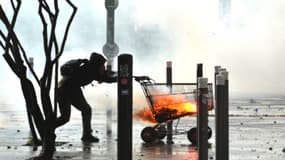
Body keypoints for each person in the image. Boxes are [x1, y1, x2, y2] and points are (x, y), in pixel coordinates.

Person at [56, 52, 116, 142]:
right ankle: (47, 128)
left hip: (71, 89)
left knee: (85, 110)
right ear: (97, 65)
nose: (103, 67)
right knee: (65, 117)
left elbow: (105, 76)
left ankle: (86, 134)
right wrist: (122, 77)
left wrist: (124, 75)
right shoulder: (89, 70)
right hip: (65, 91)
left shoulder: (90, 69)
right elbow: (106, 77)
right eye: (102, 65)